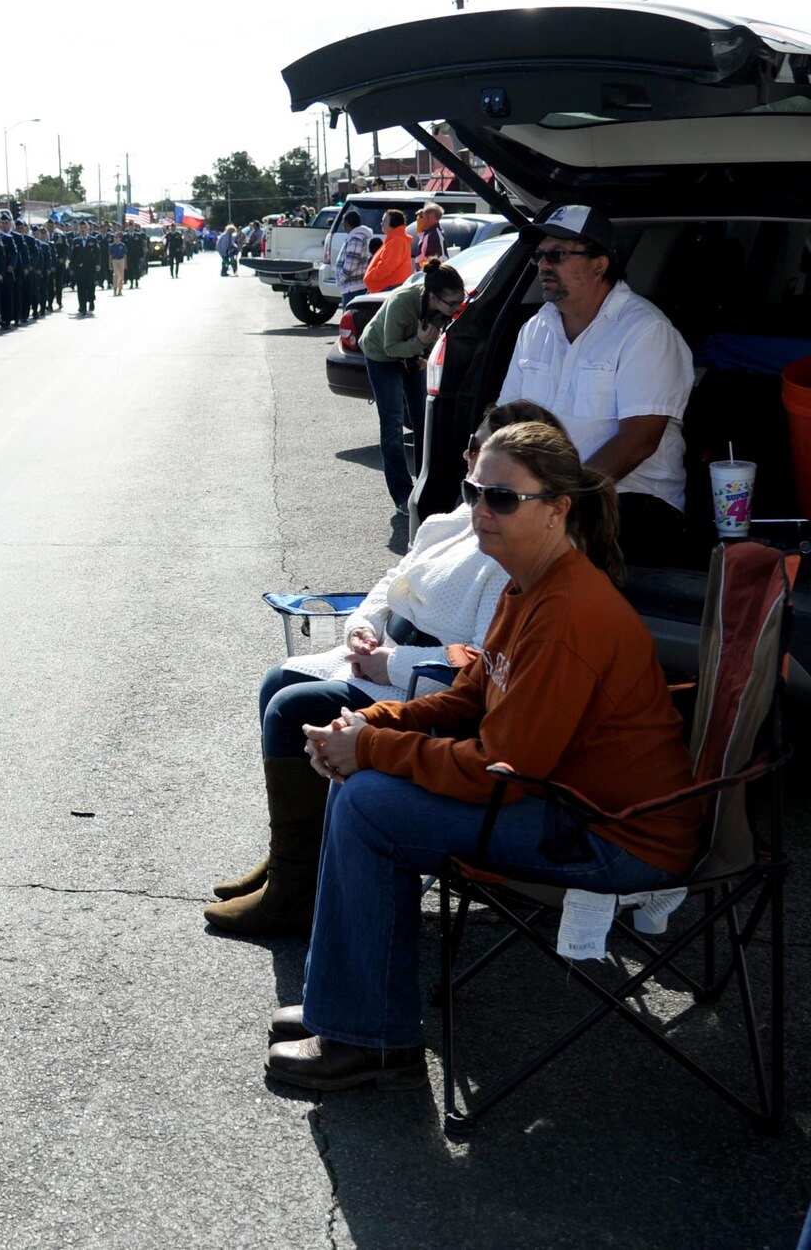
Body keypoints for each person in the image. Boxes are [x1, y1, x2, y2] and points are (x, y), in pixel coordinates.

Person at [267, 420, 696, 1091]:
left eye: (503, 497)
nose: (480, 510)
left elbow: (503, 772)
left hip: (614, 831)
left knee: (370, 804)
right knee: (362, 783)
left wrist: (371, 748)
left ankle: (369, 1034)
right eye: (474, 491)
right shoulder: (526, 584)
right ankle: (349, 1005)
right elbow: (467, 698)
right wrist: (367, 722)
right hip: (567, 800)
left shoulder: (568, 612)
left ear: (559, 509)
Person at [205, 399, 563, 936]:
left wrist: (389, 662)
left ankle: (296, 886)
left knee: (290, 705)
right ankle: (294, 857)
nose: (471, 458)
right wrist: (362, 628)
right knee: (279, 679)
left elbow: (483, 658)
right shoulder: (451, 521)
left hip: (426, 679)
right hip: (387, 654)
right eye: (472, 447)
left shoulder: (512, 547)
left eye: (487, 455)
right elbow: (391, 580)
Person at [493, 204, 694, 568]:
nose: (542, 264)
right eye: (539, 255)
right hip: (542, 501)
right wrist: (484, 465)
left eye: (556, 255)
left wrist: (562, 501)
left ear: (599, 265)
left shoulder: (646, 331)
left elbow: (639, 441)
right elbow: (506, 421)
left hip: (630, 502)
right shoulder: (535, 329)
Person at [358, 257, 466, 514]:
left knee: (423, 420)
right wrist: (419, 344)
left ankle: (425, 484)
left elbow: (434, 341)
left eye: (459, 301)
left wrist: (423, 355)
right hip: (381, 355)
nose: (456, 308)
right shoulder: (402, 301)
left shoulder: (445, 308)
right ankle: (401, 493)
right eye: (452, 303)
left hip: (413, 353)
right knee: (393, 424)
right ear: (433, 296)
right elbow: (390, 347)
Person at [362, 209, 412, 293]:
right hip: (388, 287)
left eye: (384, 221)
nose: (381, 224)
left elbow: (387, 267)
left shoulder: (397, 241)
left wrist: (370, 276)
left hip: (389, 288)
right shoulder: (395, 239)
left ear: (393, 224)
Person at [334, 209, 373, 306]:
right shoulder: (356, 236)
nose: (343, 225)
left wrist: (341, 279)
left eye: (343, 222)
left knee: (350, 319)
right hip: (351, 288)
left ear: (347, 223)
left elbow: (351, 263)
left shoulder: (356, 238)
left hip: (353, 289)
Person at [410, 201, 446, 269]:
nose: (421, 220)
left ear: (429, 218)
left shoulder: (433, 235)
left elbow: (432, 260)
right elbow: (420, 232)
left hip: (433, 273)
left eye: (422, 217)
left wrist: (418, 264)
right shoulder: (428, 232)